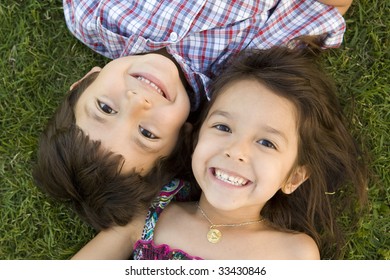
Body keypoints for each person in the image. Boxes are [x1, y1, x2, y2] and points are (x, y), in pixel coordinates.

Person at [33, 0, 354, 230]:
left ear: (84, 82)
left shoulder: (92, 15)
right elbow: (328, 7)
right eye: (147, 133)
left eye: (105, 108)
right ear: (185, 137)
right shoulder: (248, 69)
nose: (137, 102)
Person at [71, 45, 367, 260]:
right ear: (197, 137)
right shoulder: (148, 215)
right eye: (223, 127)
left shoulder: (294, 253)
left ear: (293, 177)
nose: (235, 151)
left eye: (266, 143)